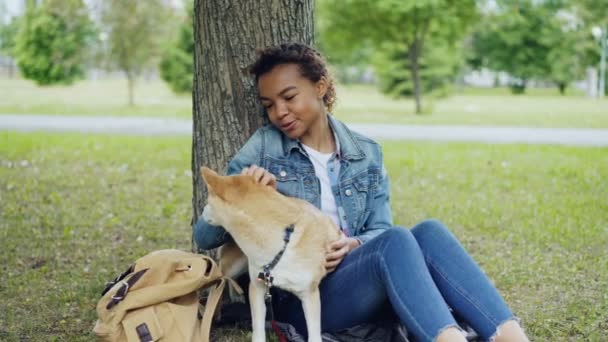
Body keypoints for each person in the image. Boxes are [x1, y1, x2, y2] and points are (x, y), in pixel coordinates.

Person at [193, 43, 529, 342]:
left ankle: (509, 336)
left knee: (428, 231)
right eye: (269, 104)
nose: (279, 112)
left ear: (320, 86)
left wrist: (354, 244)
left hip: (359, 277)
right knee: (396, 241)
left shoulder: (366, 153)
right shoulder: (263, 148)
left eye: (289, 97)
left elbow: (380, 229)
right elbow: (205, 236)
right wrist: (242, 193)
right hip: (304, 296)